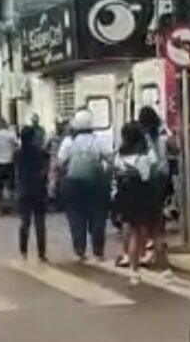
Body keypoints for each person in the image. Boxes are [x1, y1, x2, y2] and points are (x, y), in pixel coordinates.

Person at [58, 109, 112, 261]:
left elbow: (60, 162)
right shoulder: (99, 140)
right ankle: (98, 250)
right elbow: (111, 159)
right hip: (96, 184)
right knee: (98, 217)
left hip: (74, 185)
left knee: (76, 217)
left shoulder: (69, 142)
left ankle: (79, 249)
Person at [114, 122, 158, 284]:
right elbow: (150, 172)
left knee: (132, 230)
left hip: (125, 195)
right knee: (143, 229)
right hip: (142, 194)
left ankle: (134, 269)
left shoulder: (119, 155)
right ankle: (141, 255)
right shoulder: (143, 157)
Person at [137, 106, 174, 273]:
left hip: (149, 177)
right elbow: (175, 147)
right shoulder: (163, 131)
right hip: (164, 175)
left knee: (147, 217)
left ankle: (150, 248)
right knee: (158, 213)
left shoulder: (142, 136)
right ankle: (159, 246)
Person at [15, 126, 49, 261]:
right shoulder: (41, 152)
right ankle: (41, 253)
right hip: (38, 190)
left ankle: (23, 251)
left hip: (23, 190)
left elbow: (16, 171)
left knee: (24, 222)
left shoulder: (17, 153)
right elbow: (45, 168)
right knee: (40, 223)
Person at [0, 119, 19, 211]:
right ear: (6, 125)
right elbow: (18, 144)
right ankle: (13, 207)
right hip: (9, 162)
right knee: (11, 185)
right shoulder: (10, 134)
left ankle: (0, 209)